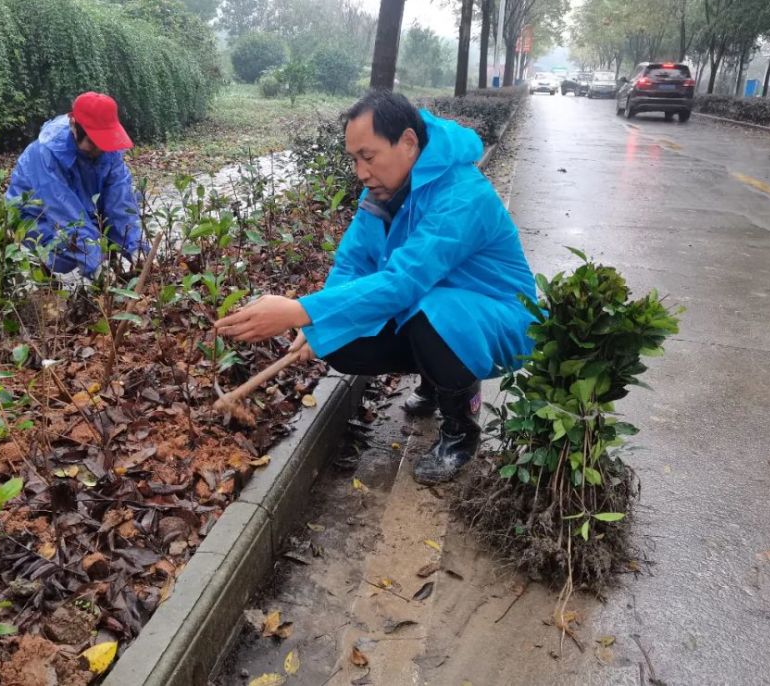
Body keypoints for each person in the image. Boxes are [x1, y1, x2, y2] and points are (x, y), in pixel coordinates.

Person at [215, 90, 536, 485]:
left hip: (498, 316)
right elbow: (353, 263)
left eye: (368, 157)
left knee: (431, 312)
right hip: (437, 307)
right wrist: (315, 322)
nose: (360, 172)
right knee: (341, 342)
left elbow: (404, 282)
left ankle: (460, 430)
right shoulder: (382, 193)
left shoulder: (462, 196)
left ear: (407, 142)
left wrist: (300, 309)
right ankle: (435, 378)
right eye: (354, 159)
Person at [7, 91, 145, 280]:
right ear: (74, 126)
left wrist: (137, 248)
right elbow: (65, 213)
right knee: (61, 253)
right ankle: (41, 274)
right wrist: (95, 263)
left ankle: (105, 261)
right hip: (37, 214)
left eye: (104, 142)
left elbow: (121, 202)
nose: (100, 150)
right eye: (93, 142)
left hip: (83, 204)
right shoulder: (46, 154)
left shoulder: (107, 150)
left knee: (127, 207)